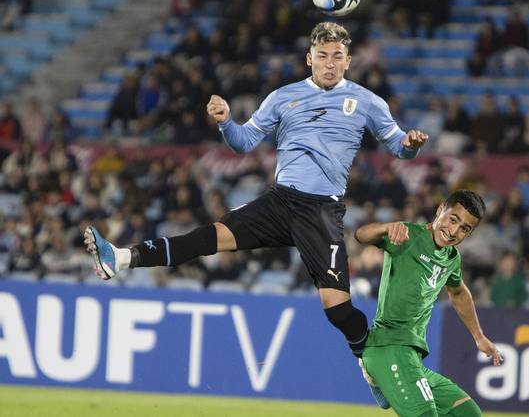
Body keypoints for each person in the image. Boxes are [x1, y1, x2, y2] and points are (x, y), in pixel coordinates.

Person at [83, 21, 428, 383]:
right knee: (206, 238)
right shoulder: (283, 97)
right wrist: (226, 122)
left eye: (337, 57)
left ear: (348, 61)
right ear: (309, 58)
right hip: (279, 201)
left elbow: (398, 146)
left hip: (321, 210)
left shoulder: (367, 102)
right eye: (323, 56)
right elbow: (243, 142)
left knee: (338, 311)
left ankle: (368, 361)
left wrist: (412, 144)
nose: (329, 63)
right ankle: (121, 258)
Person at [356, 190, 502, 416]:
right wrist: (386, 228)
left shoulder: (451, 258)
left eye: (465, 228)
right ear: (440, 209)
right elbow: (361, 235)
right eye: (453, 219)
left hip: (411, 355)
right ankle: (376, 372)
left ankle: (380, 381)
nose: (454, 231)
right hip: (388, 345)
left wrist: (479, 336)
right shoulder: (409, 235)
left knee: (468, 412)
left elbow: (459, 293)